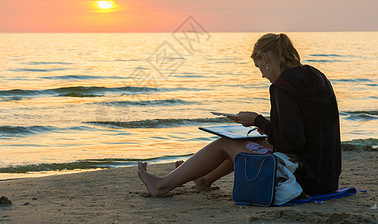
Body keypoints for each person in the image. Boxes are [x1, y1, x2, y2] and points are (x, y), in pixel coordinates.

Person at [138, 33, 341, 197]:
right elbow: (305, 129)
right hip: (326, 179)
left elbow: (293, 142)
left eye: (258, 66)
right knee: (253, 141)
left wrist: (257, 120)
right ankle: (204, 180)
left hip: (300, 181)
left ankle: (162, 185)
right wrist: (265, 126)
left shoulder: (282, 86)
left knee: (225, 143)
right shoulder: (316, 76)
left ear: (266, 58)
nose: (261, 73)